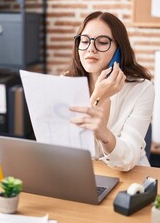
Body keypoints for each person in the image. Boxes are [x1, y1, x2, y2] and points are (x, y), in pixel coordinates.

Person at [66, 11, 154, 171]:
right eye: (84, 41)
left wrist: (104, 134)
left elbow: (127, 160)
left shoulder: (141, 89)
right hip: (78, 172)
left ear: (118, 49)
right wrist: (98, 96)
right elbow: (65, 145)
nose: (91, 49)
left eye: (102, 42)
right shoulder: (65, 83)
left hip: (129, 178)